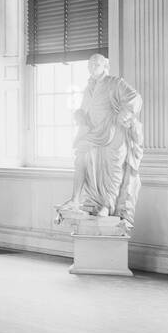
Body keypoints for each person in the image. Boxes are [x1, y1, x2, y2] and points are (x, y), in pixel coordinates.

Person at [55, 53, 143, 230]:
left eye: (97, 64)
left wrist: (124, 114)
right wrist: (80, 114)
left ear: (105, 66)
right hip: (95, 132)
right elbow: (87, 109)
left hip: (113, 132)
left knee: (112, 170)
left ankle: (107, 205)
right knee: (82, 156)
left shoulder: (114, 82)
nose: (93, 67)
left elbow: (136, 98)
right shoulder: (89, 87)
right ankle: (76, 199)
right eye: (90, 64)